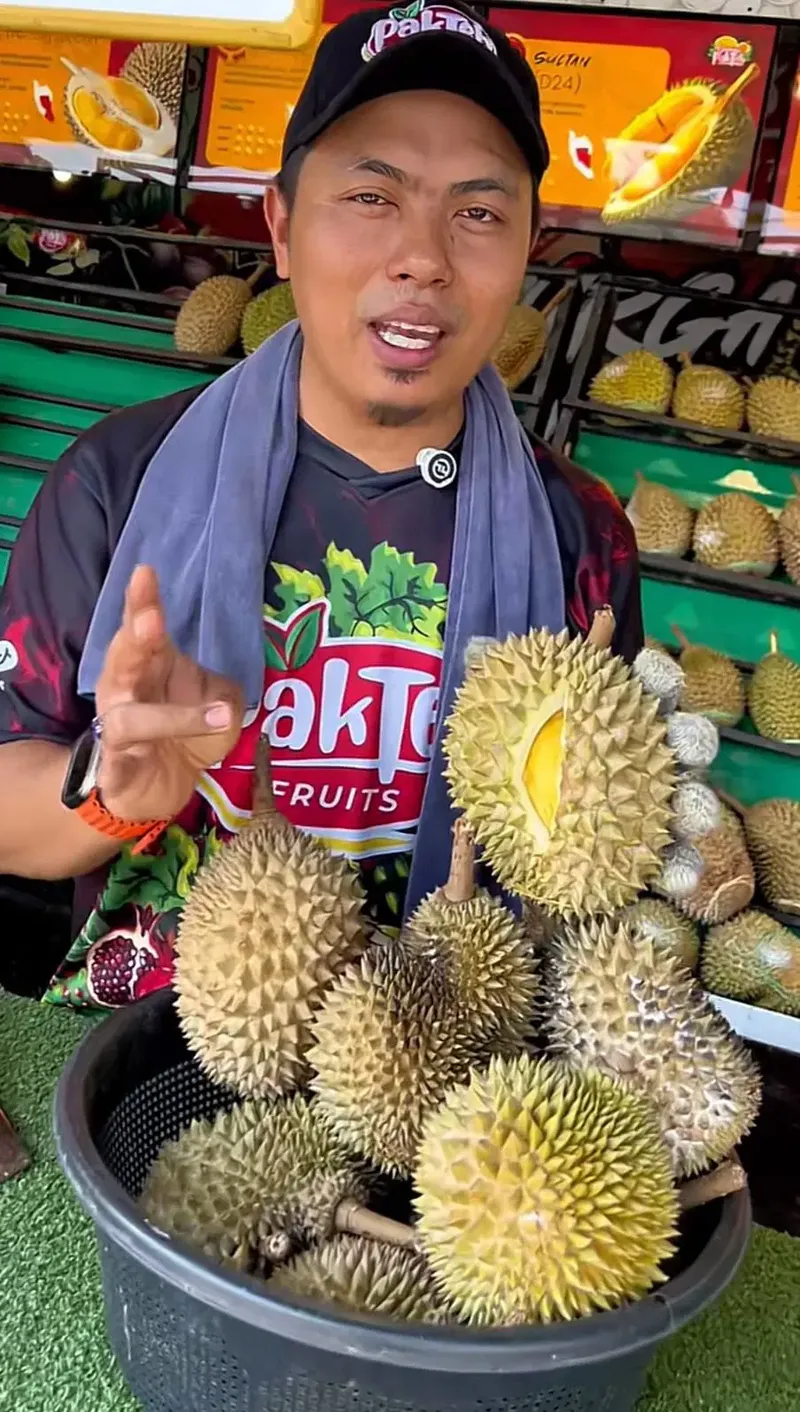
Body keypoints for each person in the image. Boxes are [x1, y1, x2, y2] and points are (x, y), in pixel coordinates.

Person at [0, 0, 643, 1010]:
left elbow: (579, 849)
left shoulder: (582, 539)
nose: (423, 255)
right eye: (370, 195)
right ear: (282, 225)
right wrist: (115, 792)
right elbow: (8, 808)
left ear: (527, 248)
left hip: (435, 1065)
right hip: (146, 1042)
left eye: (476, 211)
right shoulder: (115, 480)